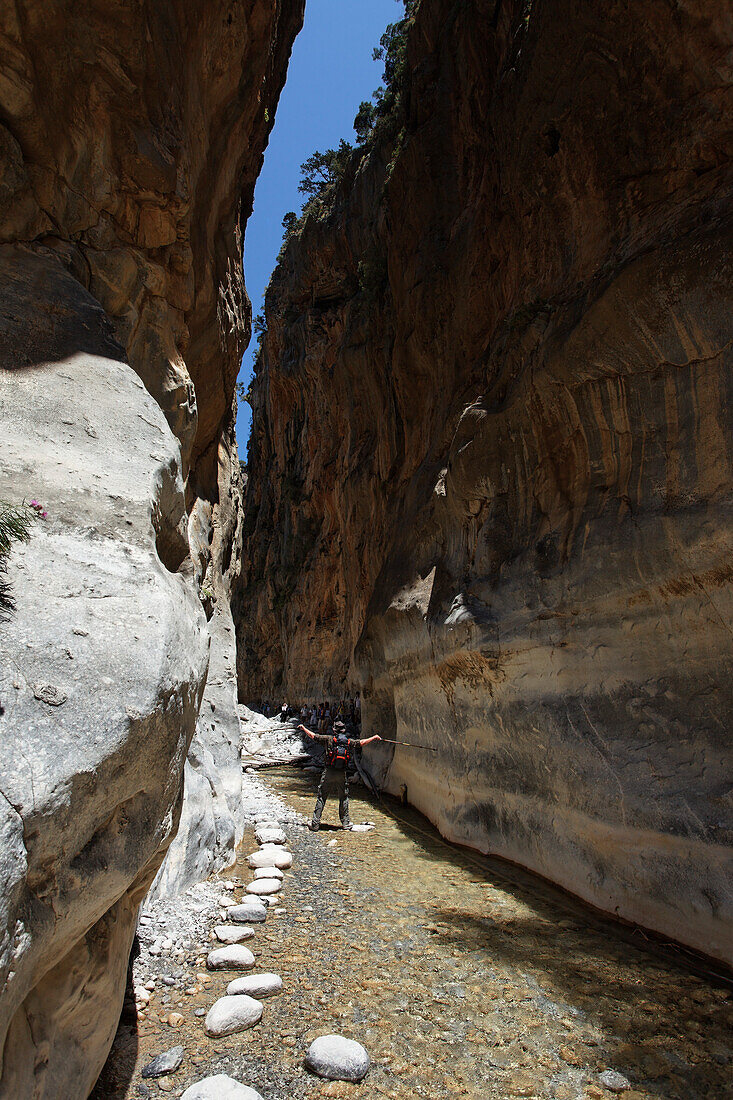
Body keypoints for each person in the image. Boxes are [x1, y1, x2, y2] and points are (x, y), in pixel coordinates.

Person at [298, 719, 381, 831]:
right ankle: (345, 823)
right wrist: (374, 737)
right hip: (342, 773)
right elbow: (361, 743)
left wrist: (303, 728)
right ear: (344, 730)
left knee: (322, 796)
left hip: (329, 772)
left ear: (334, 729)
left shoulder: (329, 739)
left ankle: (315, 823)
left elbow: (314, 736)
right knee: (343, 797)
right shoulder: (348, 742)